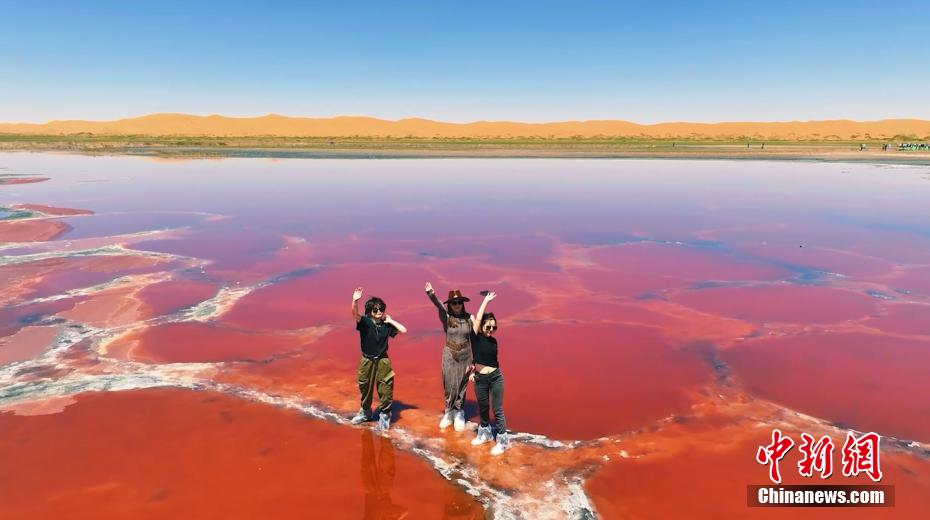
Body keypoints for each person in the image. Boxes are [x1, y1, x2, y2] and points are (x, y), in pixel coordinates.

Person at [351, 287, 407, 430]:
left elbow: (403, 330)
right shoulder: (365, 323)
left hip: (383, 360)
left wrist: (391, 320)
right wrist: (355, 301)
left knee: (386, 387)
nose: (379, 312)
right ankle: (365, 412)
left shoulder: (386, 326)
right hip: (367, 360)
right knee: (365, 386)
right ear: (370, 311)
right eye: (375, 310)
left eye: (381, 309)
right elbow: (355, 315)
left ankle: (385, 414)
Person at [425, 283, 475, 431]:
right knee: (448, 384)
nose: (457, 305)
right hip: (449, 355)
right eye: (454, 303)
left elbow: (476, 337)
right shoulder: (446, 317)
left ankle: (459, 412)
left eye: (459, 302)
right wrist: (431, 294)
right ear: (450, 305)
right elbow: (440, 306)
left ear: (463, 303)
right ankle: (449, 412)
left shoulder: (469, 318)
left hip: (466, 355)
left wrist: (476, 360)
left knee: (462, 384)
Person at [468, 292, 510, 455]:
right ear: (482, 326)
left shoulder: (493, 341)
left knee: (497, 409)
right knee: (483, 408)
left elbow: (485, 358)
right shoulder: (476, 337)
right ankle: (484, 434)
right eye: (488, 327)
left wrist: (473, 365)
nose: (491, 330)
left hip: (495, 377)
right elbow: (477, 319)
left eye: (494, 327)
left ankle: (503, 441)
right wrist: (486, 300)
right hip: (480, 379)